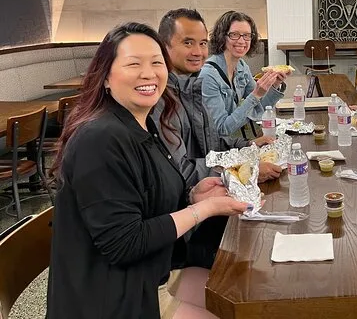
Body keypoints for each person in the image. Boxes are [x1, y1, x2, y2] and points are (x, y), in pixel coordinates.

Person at [46, 23, 250, 319]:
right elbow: (124, 243)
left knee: (244, 295)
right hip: (113, 300)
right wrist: (203, 210)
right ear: (105, 76)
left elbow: (143, 201)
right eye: (134, 64)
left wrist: (193, 196)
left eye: (156, 63)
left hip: (152, 275)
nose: (148, 73)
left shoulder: (141, 124)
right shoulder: (100, 139)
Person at [154, 8, 281, 269]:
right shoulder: (178, 92)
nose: (197, 51)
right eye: (187, 42)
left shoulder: (192, 85)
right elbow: (182, 169)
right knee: (257, 252)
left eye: (202, 43)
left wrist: (247, 145)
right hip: (184, 226)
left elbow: (218, 134)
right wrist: (243, 168)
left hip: (203, 196)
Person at [200, 11, 288, 139]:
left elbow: (260, 108)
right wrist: (256, 94)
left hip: (239, 142)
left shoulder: (241, 66)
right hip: (219, 146)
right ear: (222, 36)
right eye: (234, 35)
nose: (242, 41)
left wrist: (275, 84)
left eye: (247, 35)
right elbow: (222, 129)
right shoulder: (208, 75)